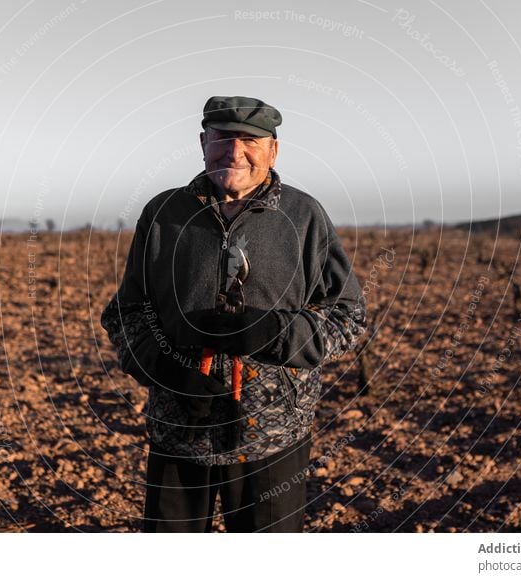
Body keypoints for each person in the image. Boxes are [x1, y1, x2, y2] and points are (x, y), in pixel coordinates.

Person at [100, 95, 367, 532]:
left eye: (251, 141)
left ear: (273, 151)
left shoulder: (303, 216)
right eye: (223, 139)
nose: (235, 152)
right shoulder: (164, 214)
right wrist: (166, 371)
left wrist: (277, 332)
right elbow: (127, 312)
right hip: (179, 428)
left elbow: (348, 315)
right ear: (203, 142)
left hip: (274, 435)